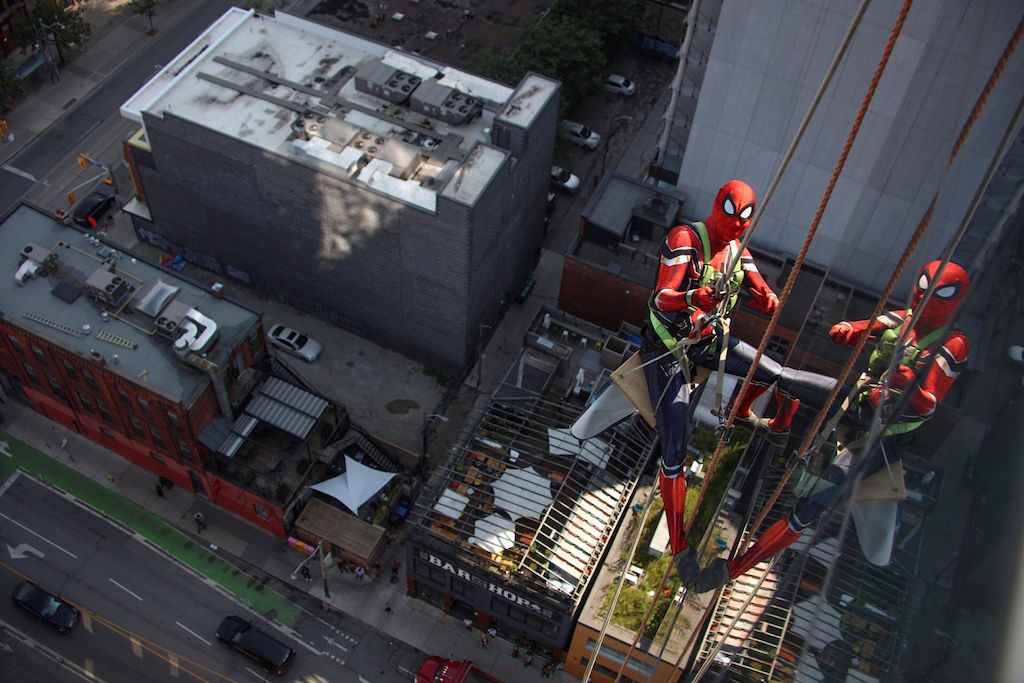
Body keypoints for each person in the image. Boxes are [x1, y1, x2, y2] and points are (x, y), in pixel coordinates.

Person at [696, 260, 971, 593]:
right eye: (924, 288)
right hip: (855, 400)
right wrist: (848, 330)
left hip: (880, 436)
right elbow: (863, 327)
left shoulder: (953, 343)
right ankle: (776, 424)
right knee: (785, 378)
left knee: (810, 505)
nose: (927, 297)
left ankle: (734, 569)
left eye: (938, 292)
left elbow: (929, 402)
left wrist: (910, 384)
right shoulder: (904, 318)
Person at [640, 180, 782, 585]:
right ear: (717, 206)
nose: (736, 227)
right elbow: (660, 297)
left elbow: (761, 287)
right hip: (670, 347)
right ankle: (679, 544)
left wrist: (768, 299)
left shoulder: (738, 252)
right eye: (731, 215)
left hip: (711, 344)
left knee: (774, 375)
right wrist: (691, 298)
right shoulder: (685, 239)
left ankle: (748, 414)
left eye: (744, 221)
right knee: (674, 450)